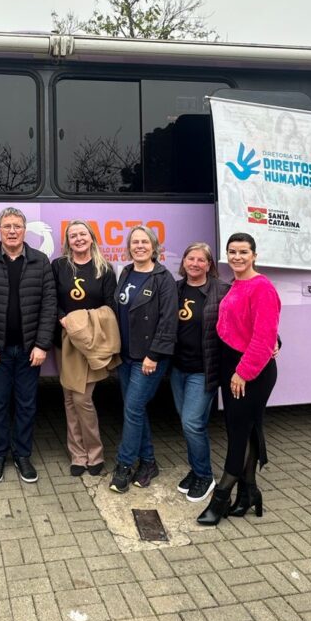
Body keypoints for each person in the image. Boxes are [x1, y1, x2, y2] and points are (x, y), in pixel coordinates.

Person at [197, 232, 282, 525]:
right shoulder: (235, 284)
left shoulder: (262, 287)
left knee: (238, 433)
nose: (237, 257)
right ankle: (249, 493)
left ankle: (221, 497)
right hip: (232, 365)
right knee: (245, 429)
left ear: (254, 255)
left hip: (250, 371)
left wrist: (243, 372)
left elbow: (264, 336)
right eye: (232, 252)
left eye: (243, 252)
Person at [0, 208, 57, 485]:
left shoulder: (40, 261)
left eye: (17, 226)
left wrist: (42, 344)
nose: (12, 231)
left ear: (24, 230)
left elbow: (49, 306)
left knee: (26, 405)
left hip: (30, 350)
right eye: (7, 226)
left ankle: (22, 455)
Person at [109, 225, 178, 494]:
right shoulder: (126, 272)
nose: (139, 246)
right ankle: (148, 462)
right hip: (126, 355)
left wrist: (154, 355)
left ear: (154, 247)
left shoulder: (163, 278)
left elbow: (168, 321)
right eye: (135, 242)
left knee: (133, 409)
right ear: (129, 247)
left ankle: (124, 465)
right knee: (135, 410)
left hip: (148, 358)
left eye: (144, 242)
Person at [52, 221, 117, 477]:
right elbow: (52, 299)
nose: (78, 239)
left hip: (92, 342)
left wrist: (83, 321)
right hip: (66, 340)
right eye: (73, 235)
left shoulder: (104, 268)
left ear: (91, 238)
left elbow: (110, 307)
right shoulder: (59, 266)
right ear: (67, 241)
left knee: (82, 399)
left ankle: (95, 453)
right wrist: (64, 319)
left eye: (82, 234)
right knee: (69, 399)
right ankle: (78, 455)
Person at [170, 242, 230, 503]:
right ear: (184, 262)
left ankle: (205, 476)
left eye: (201, 260)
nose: (195, 264)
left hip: (203, 370)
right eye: (190, 258)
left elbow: (245, 318)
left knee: (191, 423)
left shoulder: (222, 290)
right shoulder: (175, 289)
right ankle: (196, 470)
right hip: (178, 368)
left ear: (209, 265)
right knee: (193, 424)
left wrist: (274, 339)